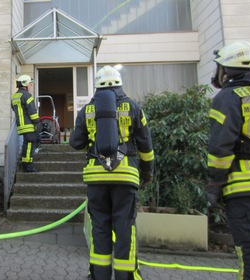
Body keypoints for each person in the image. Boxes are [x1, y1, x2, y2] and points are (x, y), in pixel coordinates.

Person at [70, 65, 154, 280]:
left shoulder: (87, 110)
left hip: (96, 178)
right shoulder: (133, 107)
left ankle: (98, 275)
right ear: (119, 84)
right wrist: (147, 173)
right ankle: (127, 276)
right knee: (125, 227)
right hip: (126, 177)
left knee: (99, 227)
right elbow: (146, 145)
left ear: (96, 85)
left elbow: (75, 143)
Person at [207, 41, 250, 279]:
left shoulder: (229, 97)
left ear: (227, 69)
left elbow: (220, 149)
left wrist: (214, 185)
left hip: (245, 190)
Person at [11, 75, 40, 172]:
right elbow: (32, 111)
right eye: (30, 84)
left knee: (26, 144)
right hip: (28, 125)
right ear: (25, 84)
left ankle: (26, 164)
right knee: (29, 145)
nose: (31, 86)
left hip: (21, 126)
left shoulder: (15, 96)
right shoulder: (27, 95)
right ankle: (28, 166)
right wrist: (37, 122)